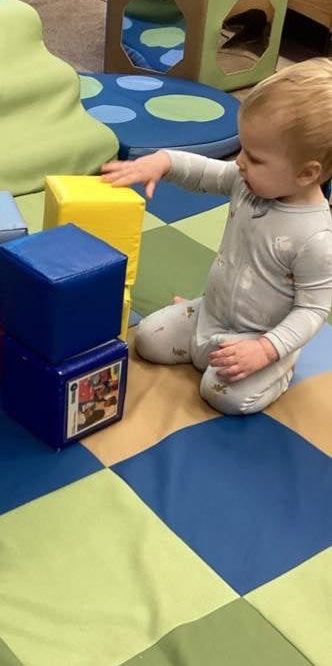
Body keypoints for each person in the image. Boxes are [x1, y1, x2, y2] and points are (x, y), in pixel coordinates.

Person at [101, 58, 332, 415]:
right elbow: (206, 173)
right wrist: (163, 161)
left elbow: (312, 309)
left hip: (257, 336)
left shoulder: (316, 237)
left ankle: (280, 370)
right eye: (242, 148)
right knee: (146, 339)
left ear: (306, 173)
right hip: (211, 313)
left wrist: (266, 349)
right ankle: (196, 317)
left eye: (254, 157)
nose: (239, 162)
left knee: (223, 394)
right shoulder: (248, 181)